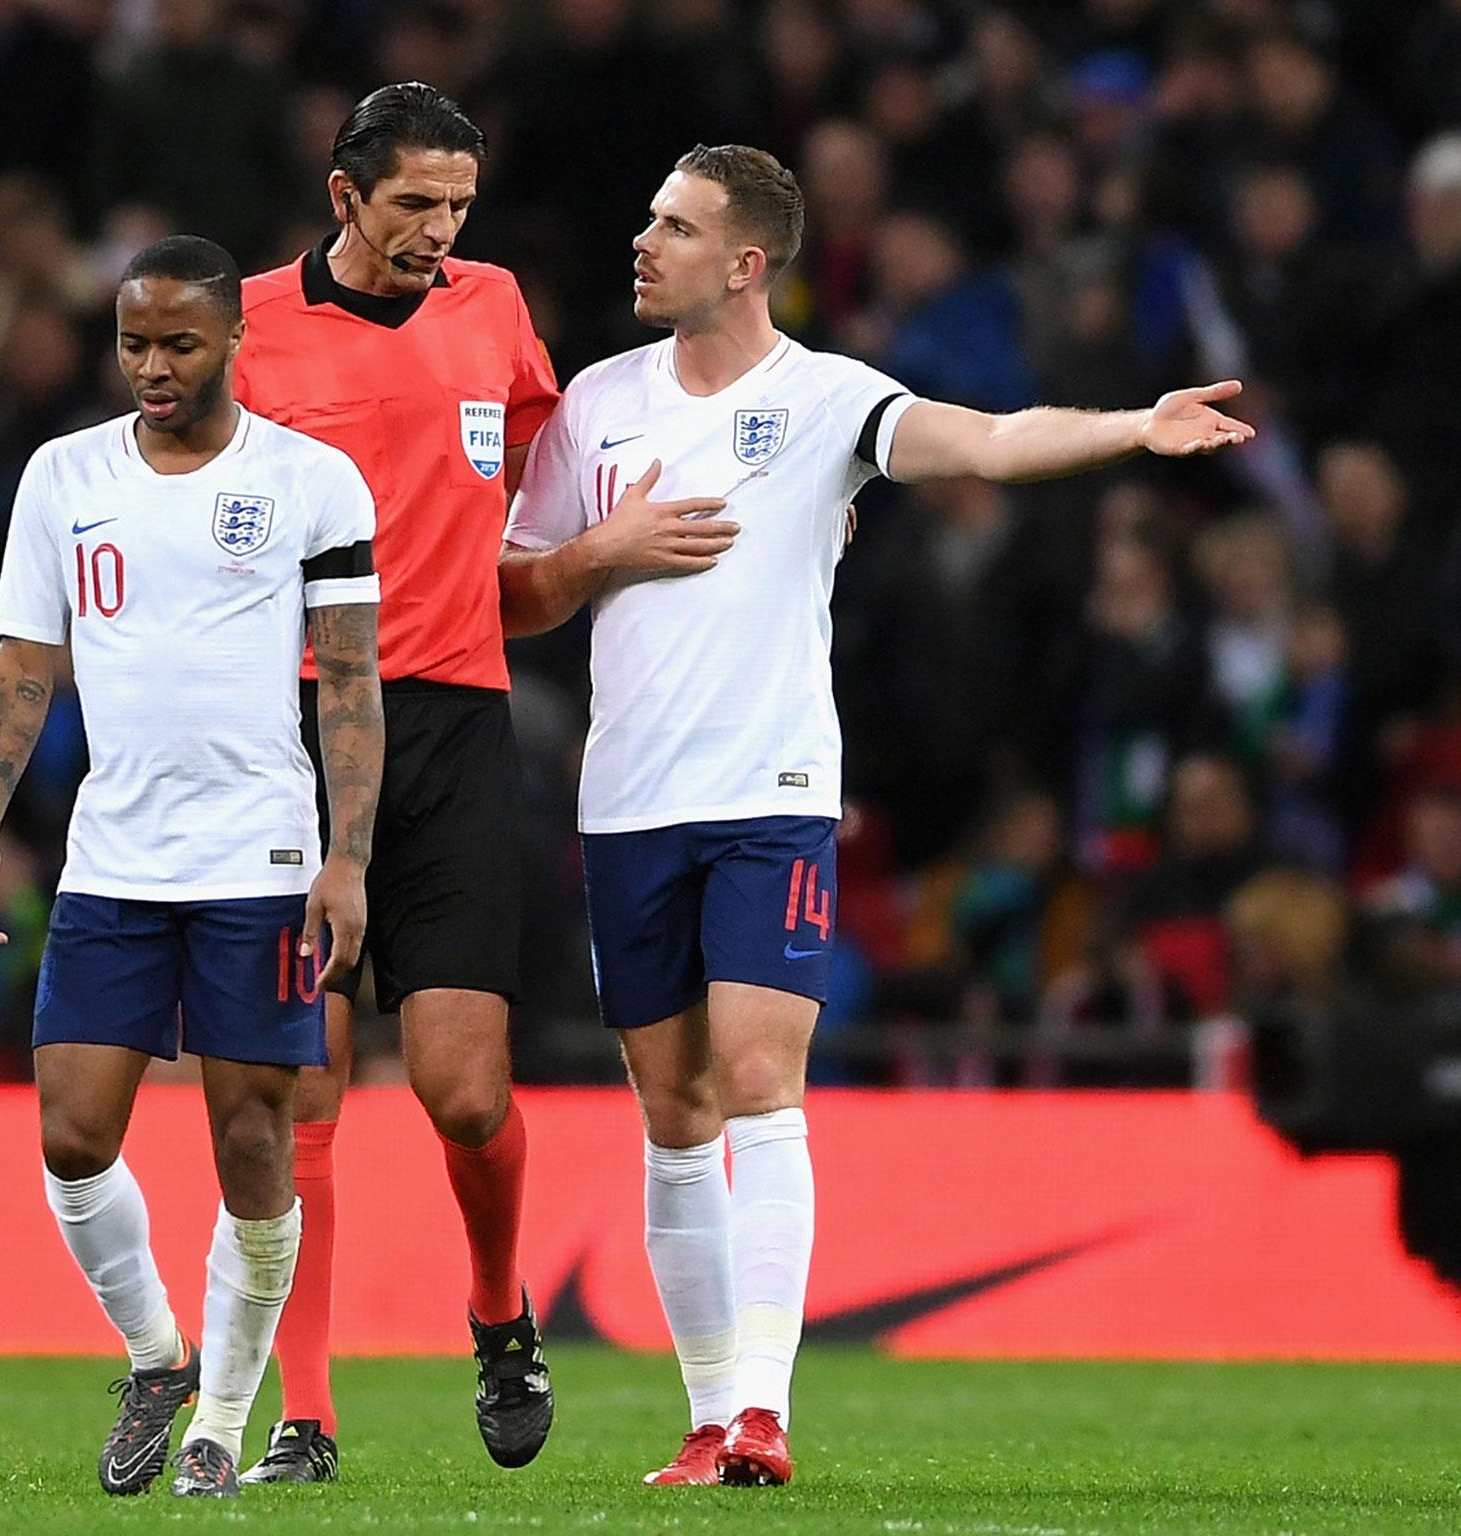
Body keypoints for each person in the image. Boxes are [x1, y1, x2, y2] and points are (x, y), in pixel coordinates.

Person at [500, 144, 1253, 1488]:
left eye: (674, 225)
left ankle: (764, 1413)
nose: (642, 241)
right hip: (626, 800)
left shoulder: (826, 400)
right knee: (670, 1112)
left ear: (747, 261)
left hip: (771, 794)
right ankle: (704, 1413)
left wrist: (1136, 426)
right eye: (647, 215)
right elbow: (515, 593)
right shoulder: (594, 407)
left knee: (756, 1081)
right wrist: (602, 553)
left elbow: (993, 438)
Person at [0, 235, 383, 1500]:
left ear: (234, 342)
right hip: (114, 858)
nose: (151, 365)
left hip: (258, 856)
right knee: (72, 1131)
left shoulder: (312, 481)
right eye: (133, 342)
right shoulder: (62, 476)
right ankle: (156, 1358)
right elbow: (25, 661)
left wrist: (345, 860)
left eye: (177, 343)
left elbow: (349, 682)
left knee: (253, 1138)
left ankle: (219, 1428)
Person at [229, 80, 561, 1484]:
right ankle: (307, 1414)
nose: (440, 230)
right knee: (300, 1090)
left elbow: (530, 479)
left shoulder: (495, 310)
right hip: (282, 730)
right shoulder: (241, 327)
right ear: (345, 197)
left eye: (459, 206)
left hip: (450, 724)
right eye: (415, 202)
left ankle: (498, 1306)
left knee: (464, 1091)